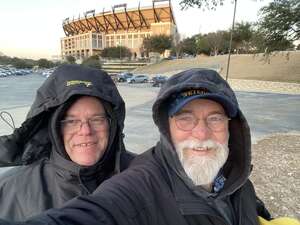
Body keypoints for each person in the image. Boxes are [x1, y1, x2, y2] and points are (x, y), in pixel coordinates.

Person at [0, 68, 281, 225]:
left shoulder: (236, 180)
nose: (201, 131)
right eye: (71, 121)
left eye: (215, 118)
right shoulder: (141, 179)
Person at [0, 64, 134, 221]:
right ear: (54, 128)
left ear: (111, 125)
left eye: (97, 119)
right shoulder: (10, 190)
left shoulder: (143, 176)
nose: (85, 131)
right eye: (71, 121)